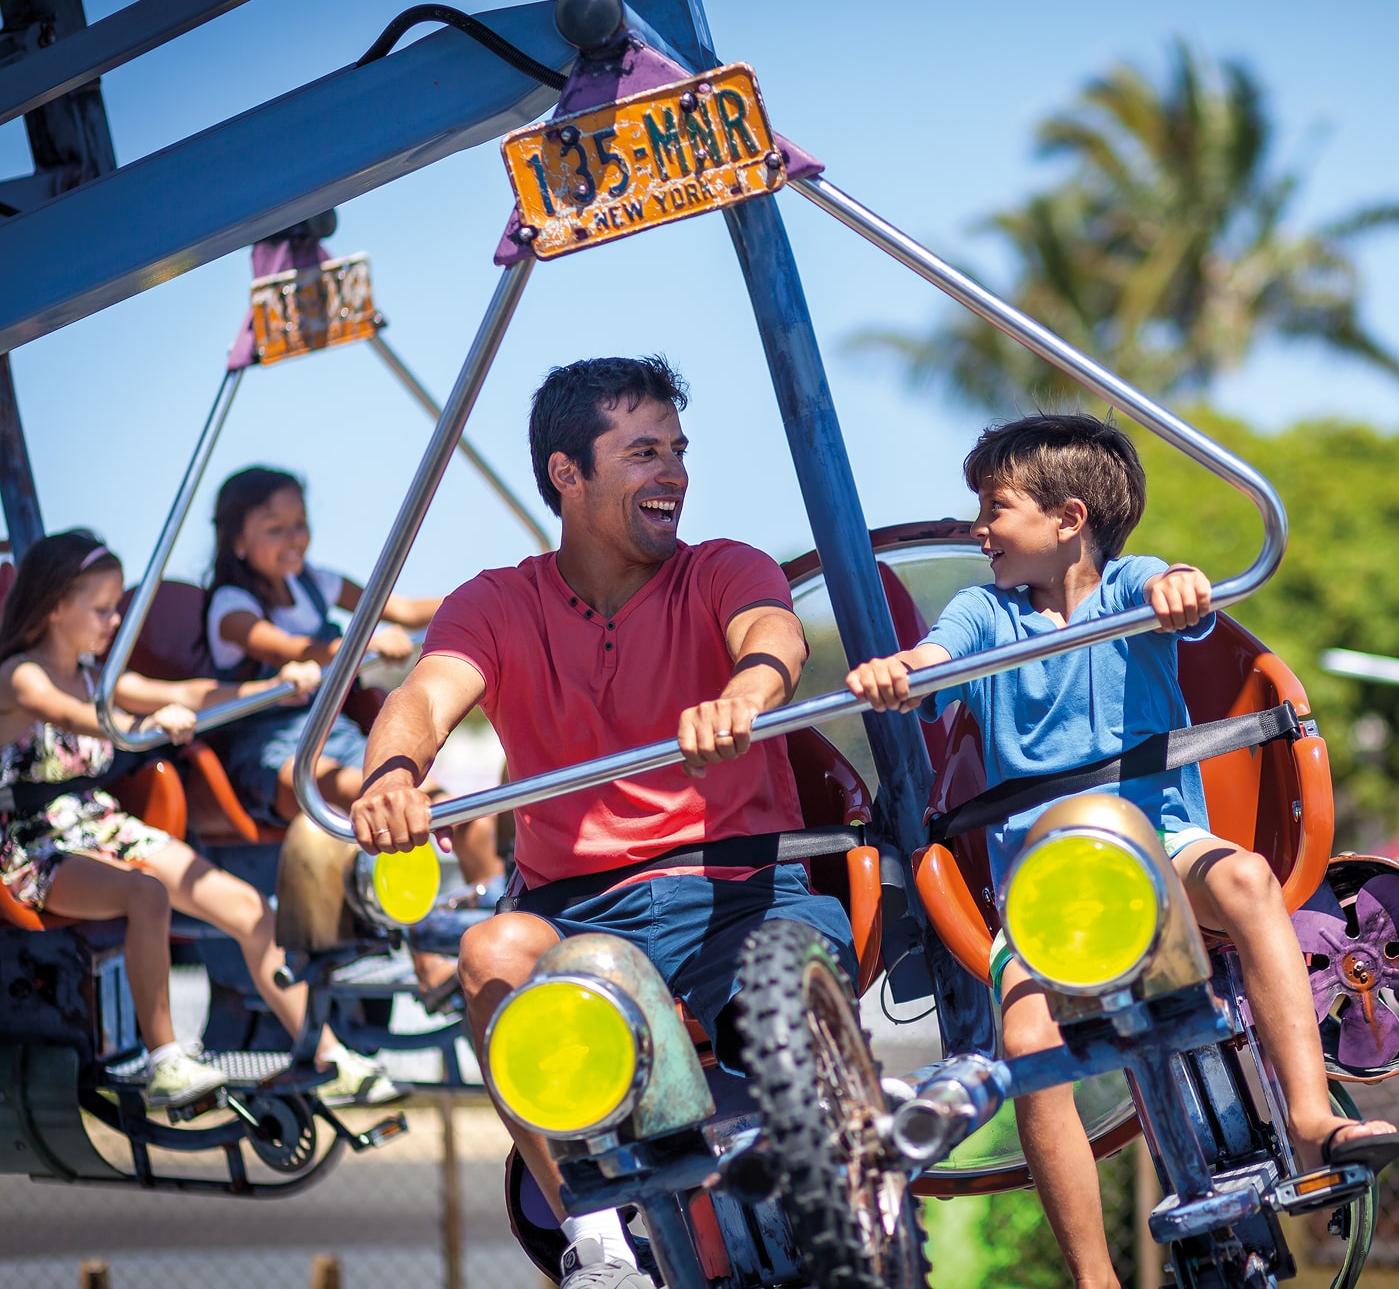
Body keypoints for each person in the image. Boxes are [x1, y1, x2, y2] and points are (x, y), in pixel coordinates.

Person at [846, 413, 1399, 1288]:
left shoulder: (1129, 588)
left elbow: (1172, 594)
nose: (977, 529)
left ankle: (1306, 1117)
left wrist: (1185, 592)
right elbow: (935, 653)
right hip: (1047, 884)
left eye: (994, 508)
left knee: (1251, 880)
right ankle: (1094, 1275)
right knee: (1028, 1038)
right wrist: (903, 672)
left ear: (1070, 520)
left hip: (1159, 850)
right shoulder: (985, 612)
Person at [348, 356, 854, 1289]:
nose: (673, 473)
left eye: (677, 451)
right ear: (565, 475)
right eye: (642, 452)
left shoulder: (722, 568)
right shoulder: (496, 603)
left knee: (775, 1006)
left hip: (740, 894)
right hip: (580, 917)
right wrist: (390, 777)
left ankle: (830, 1194)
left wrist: (744, 693)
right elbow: (424, 699)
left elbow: (771, 636)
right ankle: (600, 1239)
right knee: (493, 950)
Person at [0, 531, 399, 1108]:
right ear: (56, 606)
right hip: (34, 845)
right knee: (147, 897)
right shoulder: (22, 676)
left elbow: (187, 690)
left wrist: (272, 686)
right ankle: (166, 1060)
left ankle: (326, 1054)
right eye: (102, 609)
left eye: (116, 608)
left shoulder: (98, 676)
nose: (114, 621)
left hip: (97, 822)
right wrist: (146, 727)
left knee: (247, 906)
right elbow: (78, 718)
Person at [202, 466, 502, 887]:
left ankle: (491, 909)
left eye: (300, 525)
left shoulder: (317, 583)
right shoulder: (231, 605)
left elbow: (405, 610)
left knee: (463, 814)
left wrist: (493, 596)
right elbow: (281, 648)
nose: (293, 539)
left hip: (338, 734)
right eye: (275, 529)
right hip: (272, 752)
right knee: (375, 798)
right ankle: (411, 928)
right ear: (237, 541)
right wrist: (369, 643)